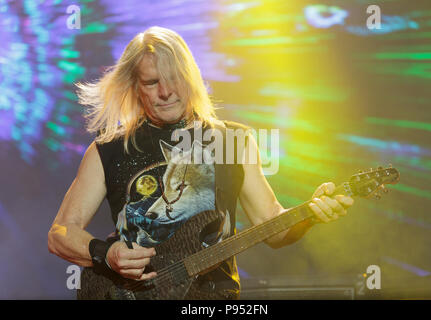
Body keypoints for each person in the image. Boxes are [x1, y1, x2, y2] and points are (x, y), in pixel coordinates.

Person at [48, 26, 354, 300]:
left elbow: (271, 224)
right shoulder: (109, 149)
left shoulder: (233, 141)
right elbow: (61, 233)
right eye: (152, 82)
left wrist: (310, 213)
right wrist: (106, 253)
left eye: (174, 79)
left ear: (191, 77)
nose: (165, 92)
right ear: (135, 87)